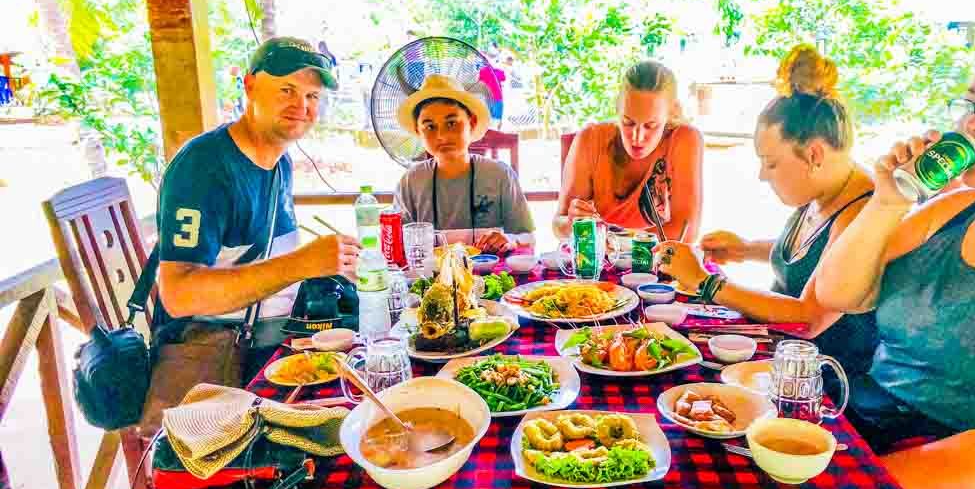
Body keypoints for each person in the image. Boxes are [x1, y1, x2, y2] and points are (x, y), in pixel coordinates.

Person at [652, 43, 975, 489]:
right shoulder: (952, 209)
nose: (974, 124)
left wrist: (859, 477)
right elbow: (840, 290)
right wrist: (889, 200)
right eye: (973, 104)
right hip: (864, 433)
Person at [656, 45, 877, 387]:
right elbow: (815, 255)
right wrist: (746, 249)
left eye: (770, 163)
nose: (762, 175)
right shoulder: (825, 190)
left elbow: (809, 318)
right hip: (776, 357)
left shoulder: (864, 213)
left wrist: (706, 282)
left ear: (814, 154)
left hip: (820, 384)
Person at [154, 37, 362, 392]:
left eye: (312, 97)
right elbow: (178, 294)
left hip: (281, 329)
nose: (302, 105)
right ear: (250, 86)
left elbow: (270, 260)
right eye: (287, 89)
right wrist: (303, 264)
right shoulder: (204, 168)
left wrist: (330, 261)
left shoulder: (280, 160)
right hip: (228, 353)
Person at [555, 60, 702, 241]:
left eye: (650, 125)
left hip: (654, 263)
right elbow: (558, 225)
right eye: (628, 122)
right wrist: (570, 223)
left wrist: (613, 241)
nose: (637, 137)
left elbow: (686, 232)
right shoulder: (590, 139)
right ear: (618, 109)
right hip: (601, 263)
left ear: (670, 114)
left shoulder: (684, 139)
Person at [392, 74, 535, 254]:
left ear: (472, 122)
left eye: (451, 123)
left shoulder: (499, 175)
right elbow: (397, 246)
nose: (441, 135)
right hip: (432, 279)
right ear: (417, 131)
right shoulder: (411, 182)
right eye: (430, 127)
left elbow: (527, 237)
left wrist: (510, 239)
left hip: (492, 276)